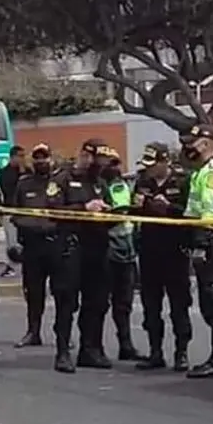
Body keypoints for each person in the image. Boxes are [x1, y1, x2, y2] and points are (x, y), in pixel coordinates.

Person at [11, 143, 79, 374]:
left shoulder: (62, 182)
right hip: (32, 246)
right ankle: (33, 331)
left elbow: (71, 211)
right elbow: (15, 214)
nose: (41, 161)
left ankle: (63, 339)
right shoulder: (24, 184)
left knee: (63, 294)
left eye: (45, 157)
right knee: (33, 291)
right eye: (37, 158)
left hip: (57, 244)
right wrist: (29, 226)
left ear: (52, 158)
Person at [131, 142, 193, 372]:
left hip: (175, 251)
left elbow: (189, 212)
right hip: (149, 251)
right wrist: (140, 206)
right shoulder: (142, 182)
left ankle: (182, 352)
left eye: (153, 164)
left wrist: (168, 207)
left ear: (165, 161)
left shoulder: (182, 181)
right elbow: (134, 209)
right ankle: (155, 352)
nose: (148, 169)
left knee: (179, 305)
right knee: (151, 304)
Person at [179, 124, 213, 379]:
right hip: (200, 240)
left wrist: (201, 244)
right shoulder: (201, 172)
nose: (189, 146)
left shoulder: (212, 173)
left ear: (206, 143)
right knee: (208, 300)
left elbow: (210, 212)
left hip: (210, 243)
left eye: (194, 142)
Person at [64, 138, 117, 369]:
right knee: (67, 302)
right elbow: (53, 211)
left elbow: (109, 208)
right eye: (97, 160)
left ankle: (92, 348)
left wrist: (110, 214)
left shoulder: (100, 183)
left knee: (97, 302)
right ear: (86, 155)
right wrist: (83, 208)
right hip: (72, 247)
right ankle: (63, 351)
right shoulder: (64, 179)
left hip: (98, 248)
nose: (100, 165)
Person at [102, 153, 141, 361]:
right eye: (112, 164)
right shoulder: (99, 187)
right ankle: (93, 348)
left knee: (124, 302)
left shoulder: (125, 186)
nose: (116, 168)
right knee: (99, 302)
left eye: (117, 163)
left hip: (126, 249)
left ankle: (126, 345)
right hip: (106, 248)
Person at [0, 146, 28, 278]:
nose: (22, 159)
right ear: (13, 157)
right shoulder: (5, 172)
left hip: (25, 210)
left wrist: (23, 172)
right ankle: (11, 264)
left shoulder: (28, 171)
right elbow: (9, 189)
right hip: (10, 209)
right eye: (20, 156)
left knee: (24, 239)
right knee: (11, 239)